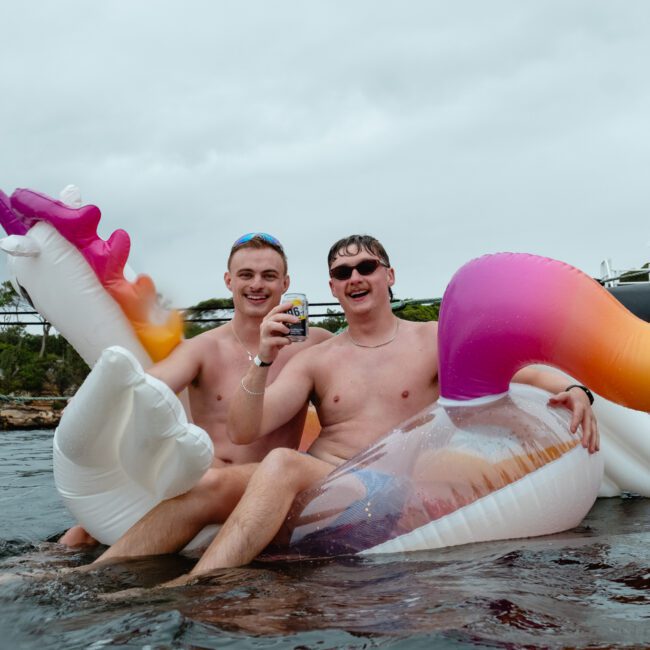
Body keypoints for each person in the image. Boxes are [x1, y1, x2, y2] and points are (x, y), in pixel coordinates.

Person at [94, 234, 598, 580]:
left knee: (284, 462)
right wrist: (263, 360)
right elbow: (247, 429)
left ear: (389, 275)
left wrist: (576, 390)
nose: (355, 276)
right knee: (208, 486)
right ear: (332, 287)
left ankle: (201, 582)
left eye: (366, 267)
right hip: (323, 482)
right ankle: (94, 575)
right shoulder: (318, 356)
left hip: (394, 488)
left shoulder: (433, 340)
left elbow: (516, 369)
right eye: (342, 271)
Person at [59, 232, 331, 548]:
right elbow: (146, 385)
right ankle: (34, 577)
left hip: (261, 486)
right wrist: (89, 402)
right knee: (82, 531)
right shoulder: (203, 348)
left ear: (285, 283)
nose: (257, 284)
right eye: (246, 275)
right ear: (229, 281)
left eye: (268, 276)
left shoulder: (315, 344)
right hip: (203, 485)